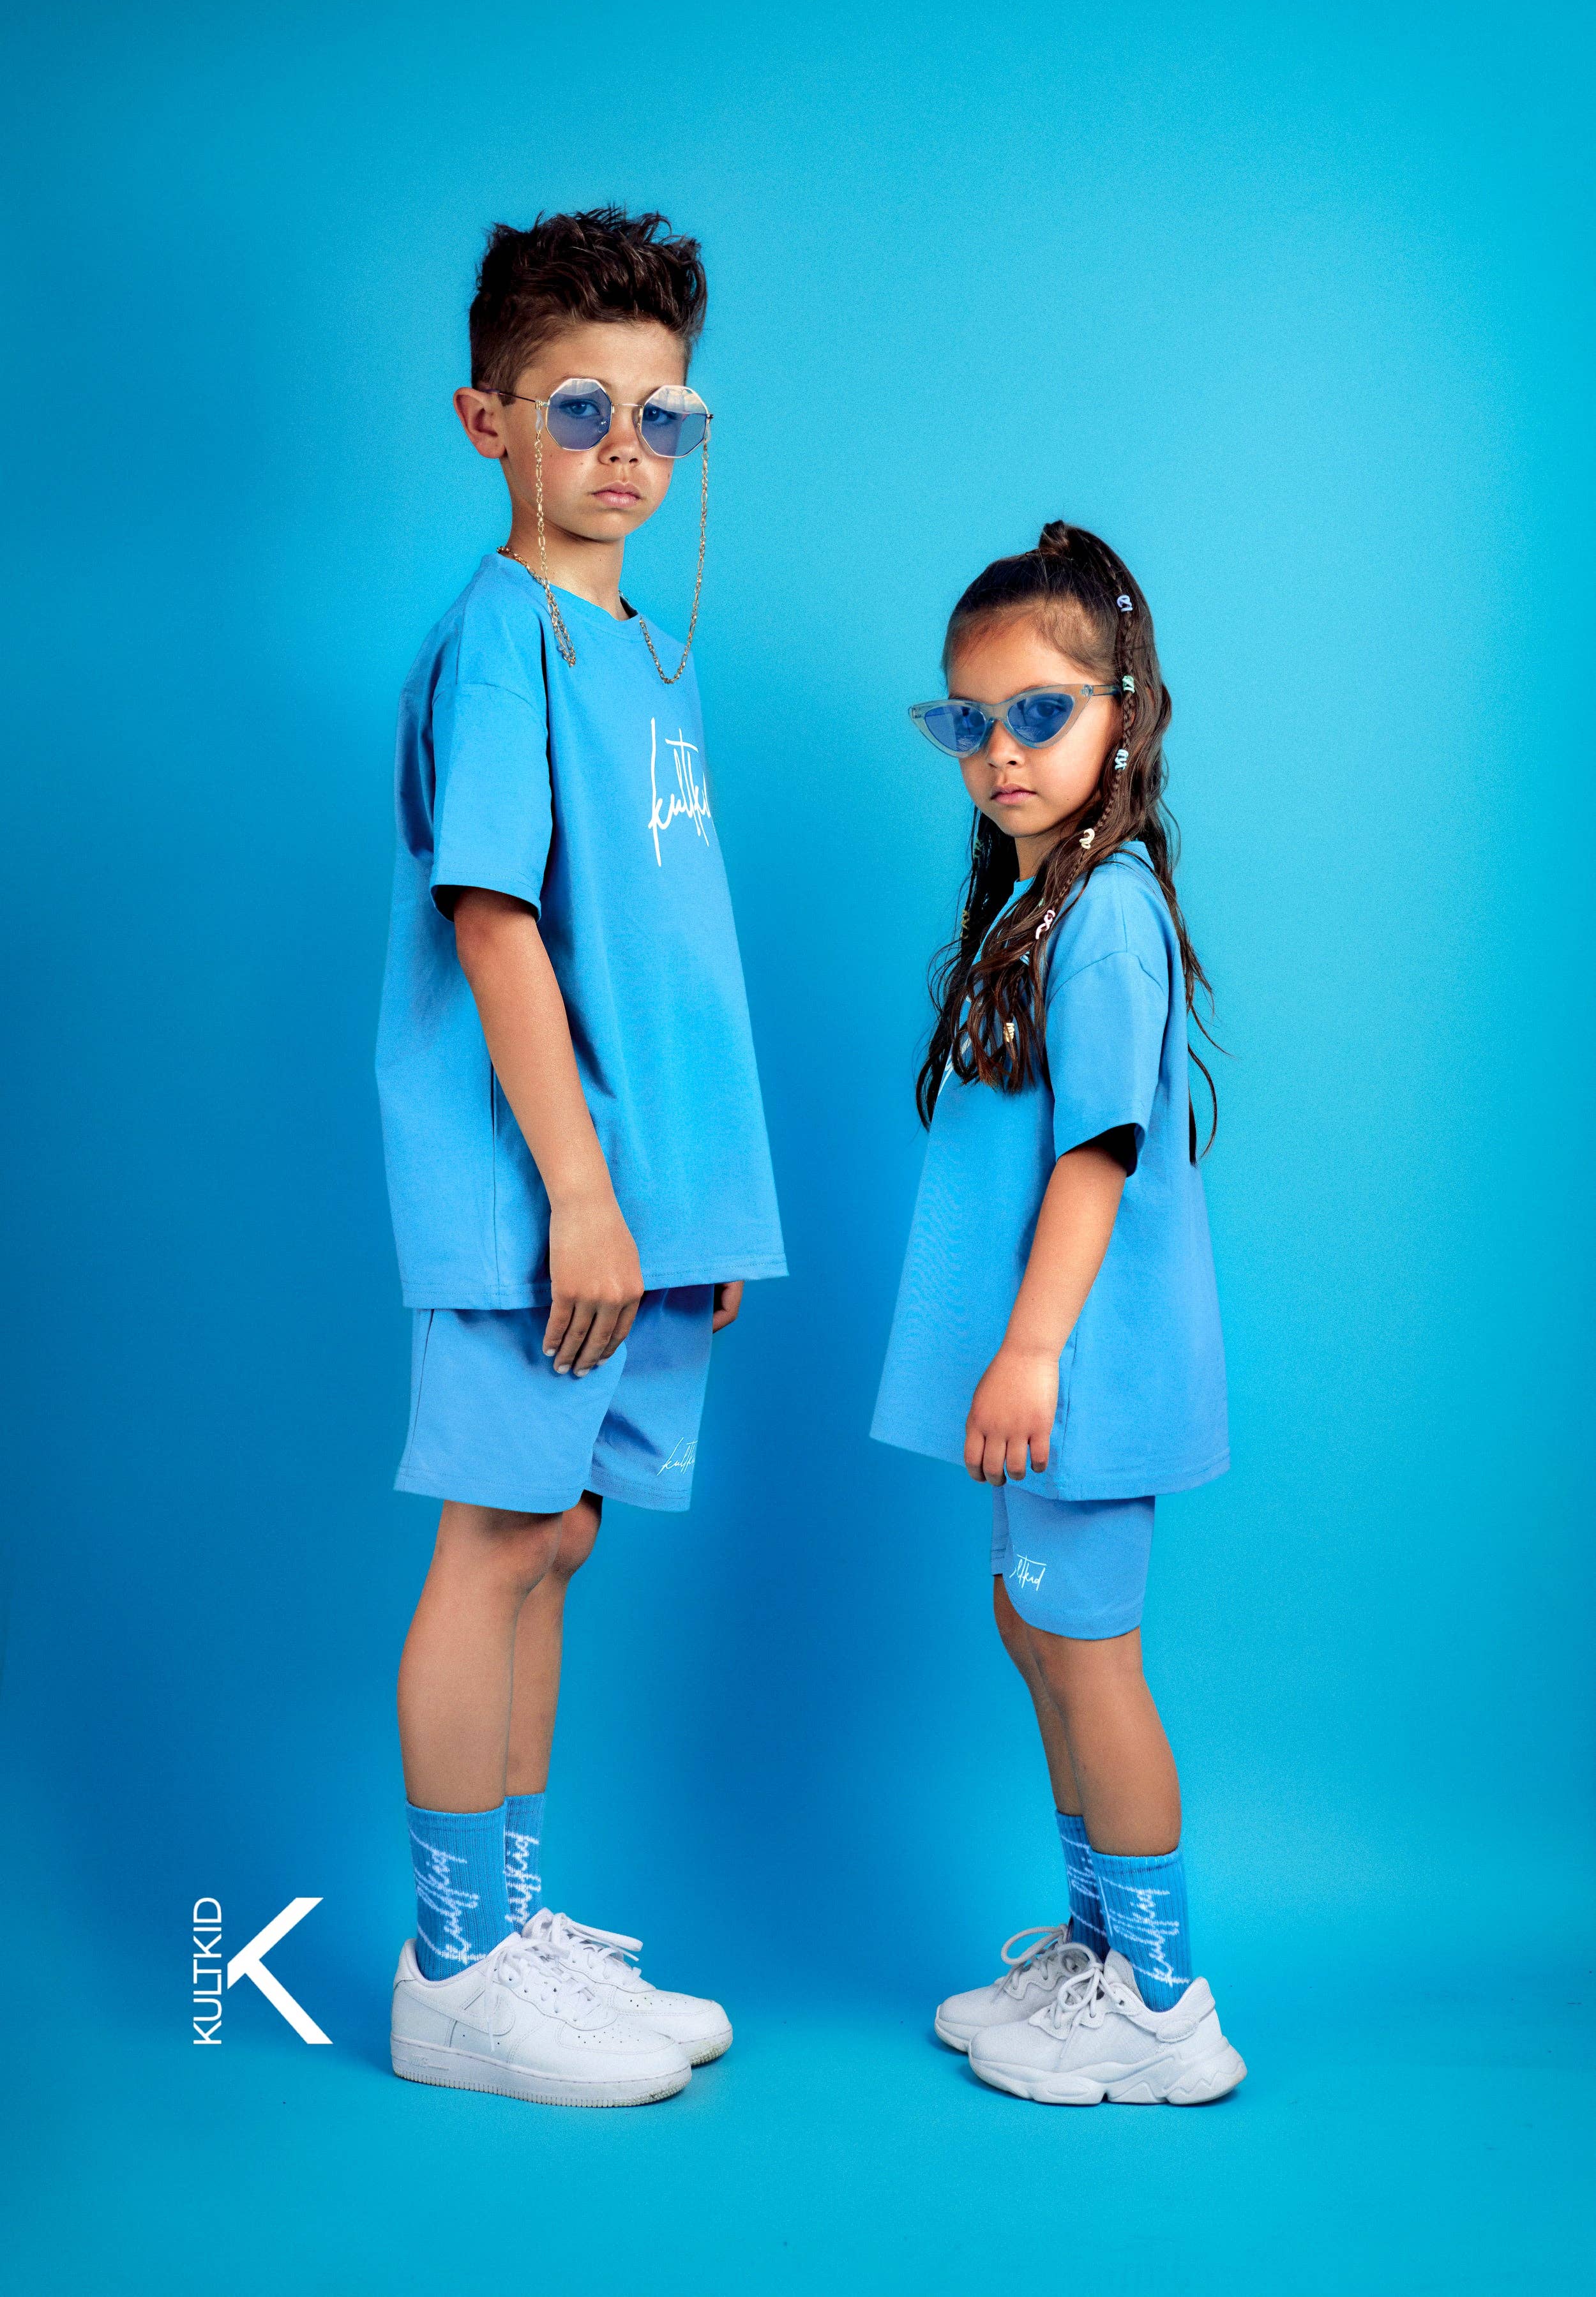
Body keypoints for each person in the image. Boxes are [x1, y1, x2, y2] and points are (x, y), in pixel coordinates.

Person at [374, 208, 785, 2107]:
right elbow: (494, 920)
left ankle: (515, 1929)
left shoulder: (647, 652)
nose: (625, 447)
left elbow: (664, 953)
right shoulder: (500, 642)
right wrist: (586, 1191)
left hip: (640, 1208)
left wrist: (690, 1208)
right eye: (578, 407)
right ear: (488, 420)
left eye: (659, 414)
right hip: (544, 1201)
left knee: (556, 1537)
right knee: (489, 1544)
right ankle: (452, 1966)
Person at [872, 522, 1246, 2105]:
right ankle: (1100, 1951)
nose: (1001, 752)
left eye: (1040, 712)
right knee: (1034, 1630)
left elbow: (1095, 1158)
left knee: (1089, 1656)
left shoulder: (1104, 918)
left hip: (1083, 1370)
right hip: (1044, 1377)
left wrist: (1028, 1352)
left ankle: (1160, 2005)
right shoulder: (1036, 906)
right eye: (968, 721)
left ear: (1123, 714)